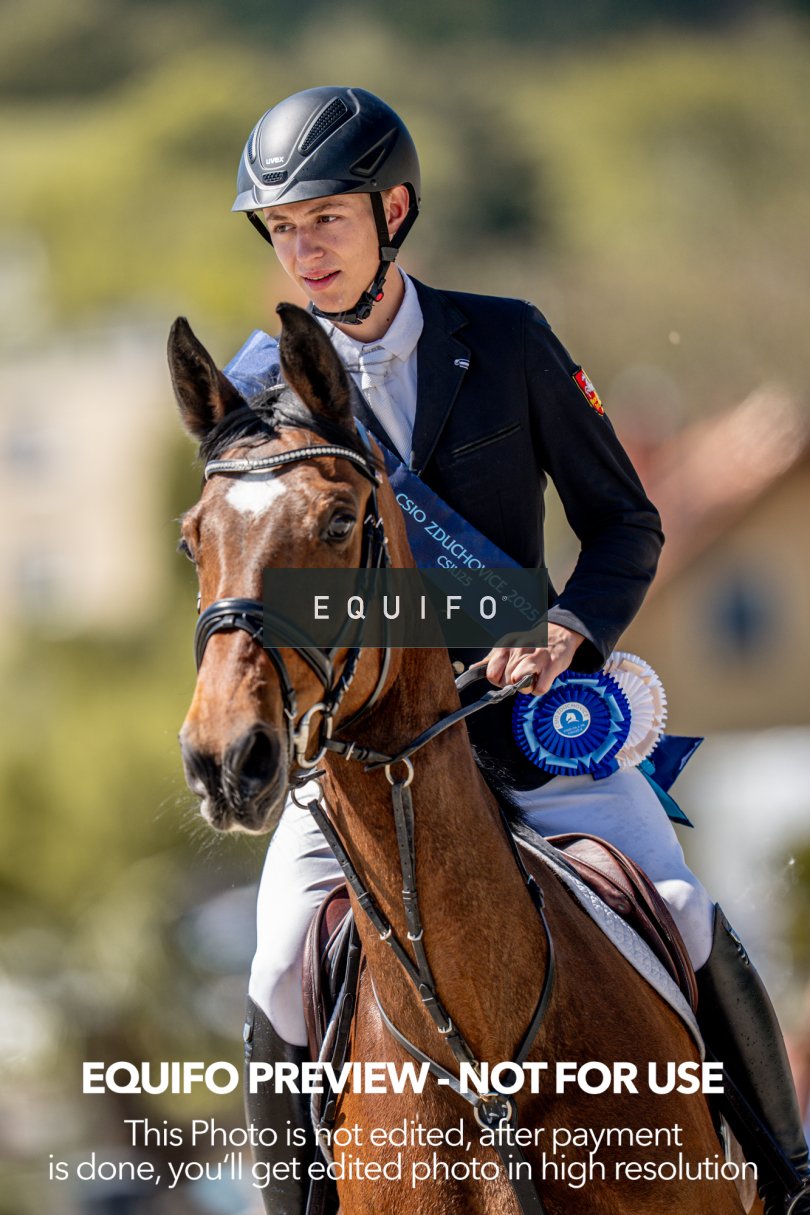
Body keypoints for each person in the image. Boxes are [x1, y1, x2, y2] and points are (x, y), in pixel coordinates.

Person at [224, 86, 809, 1215]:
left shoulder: (505, 341)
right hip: (363, 756)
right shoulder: (260, 391)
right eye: (283, 229)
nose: (304, 252)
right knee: (277, 963)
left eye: (326, 220)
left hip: (533, 726)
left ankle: (788, 1181)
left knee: (683, 907)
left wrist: (568, 629)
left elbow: (625, 524)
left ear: (394, 212)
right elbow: (259, 593)